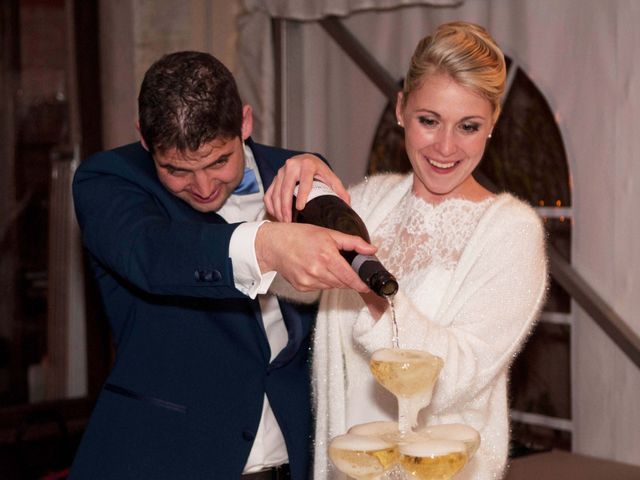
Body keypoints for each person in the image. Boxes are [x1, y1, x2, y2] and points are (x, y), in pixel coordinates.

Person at [69, 51, 377, 480]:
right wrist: (266, 244)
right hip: (165, 461)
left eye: (218, 161)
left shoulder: (298, 172)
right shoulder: (108, 179)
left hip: (294, 460)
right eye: (176, 170)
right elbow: (153, 254)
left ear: (245, 124)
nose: (203, 186)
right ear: (143, 138)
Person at [265, 21, 548, 480]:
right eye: (428, 120)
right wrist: (294, 207)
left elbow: (456, 375)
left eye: (468, 126)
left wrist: (371, 289)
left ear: (493, 122)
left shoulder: (510, 232)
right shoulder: (372, 198)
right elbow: (290, 284)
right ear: (400, 110)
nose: (445, 147)